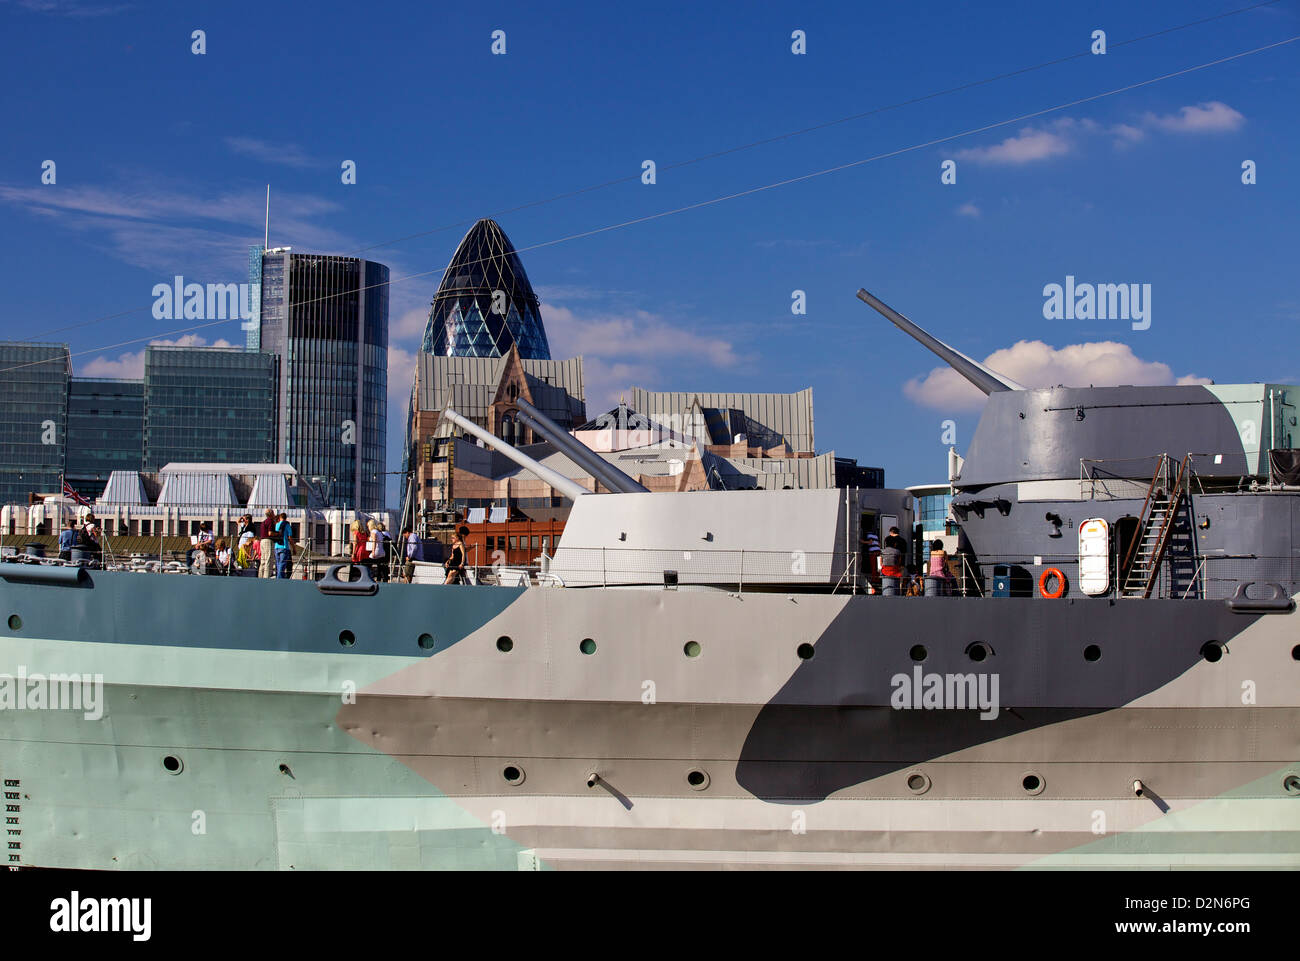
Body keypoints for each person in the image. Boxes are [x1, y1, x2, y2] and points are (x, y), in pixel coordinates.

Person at [880, 526, 907, 596]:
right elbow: (904, 553)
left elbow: (882, 555)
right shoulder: (903, 541)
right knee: (899, 581)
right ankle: (899, 593)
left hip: (887, 565)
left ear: (891, 532)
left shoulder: (887, 539)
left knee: (887, 580)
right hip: (899, 564)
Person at [273, 512, 295, 579]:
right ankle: (279, 579)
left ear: (280, 518)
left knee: (278, 563)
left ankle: (278, 577)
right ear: (286, 518)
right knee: (283, 563)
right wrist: (294, 548)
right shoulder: (287, 525)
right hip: (284, 546)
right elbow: (290, 537)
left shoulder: (276, 525)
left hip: (276, 546)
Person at [258, 509, 277, 579]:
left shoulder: (263, 522)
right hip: (268, 541)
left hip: (262, 541)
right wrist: (278, 533)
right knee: (269, 559)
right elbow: (270, 533)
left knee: (263, 560)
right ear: (271, 514)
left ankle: (260, 576)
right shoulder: (270, 521)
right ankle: (266, 577)